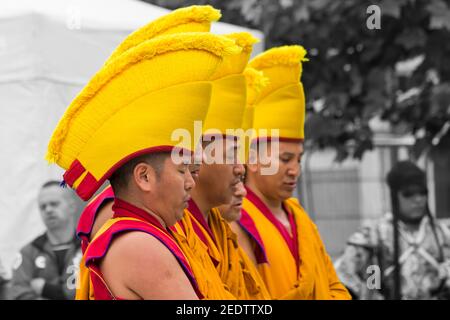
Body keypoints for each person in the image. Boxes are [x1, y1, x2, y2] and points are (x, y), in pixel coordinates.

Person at [46, 32, 241, 299]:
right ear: (144, 177)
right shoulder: (139, 244)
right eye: (183, 170)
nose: (191, 182)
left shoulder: (150, 234)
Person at [240, 46, 351, 300]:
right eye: (285, 159)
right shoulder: (239, 219)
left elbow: (334, 286)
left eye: (299, 159)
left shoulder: (300, 218)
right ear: (253, 159)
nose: (295, 170)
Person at [335, 161, 450, 299]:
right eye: (409, 194)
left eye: (422, 193)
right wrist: (372, 291)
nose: (418, 199)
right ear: (395, 196)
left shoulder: (443, 233)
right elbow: (344, 275)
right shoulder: (374, 235)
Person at [9, 181, 82, 300]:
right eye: (43, 206)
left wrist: (46, 289)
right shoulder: (28, 252)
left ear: (72, 206)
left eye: (54, 204)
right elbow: (18, 293)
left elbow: (95, 290)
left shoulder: (90, 247)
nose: (48, 210)